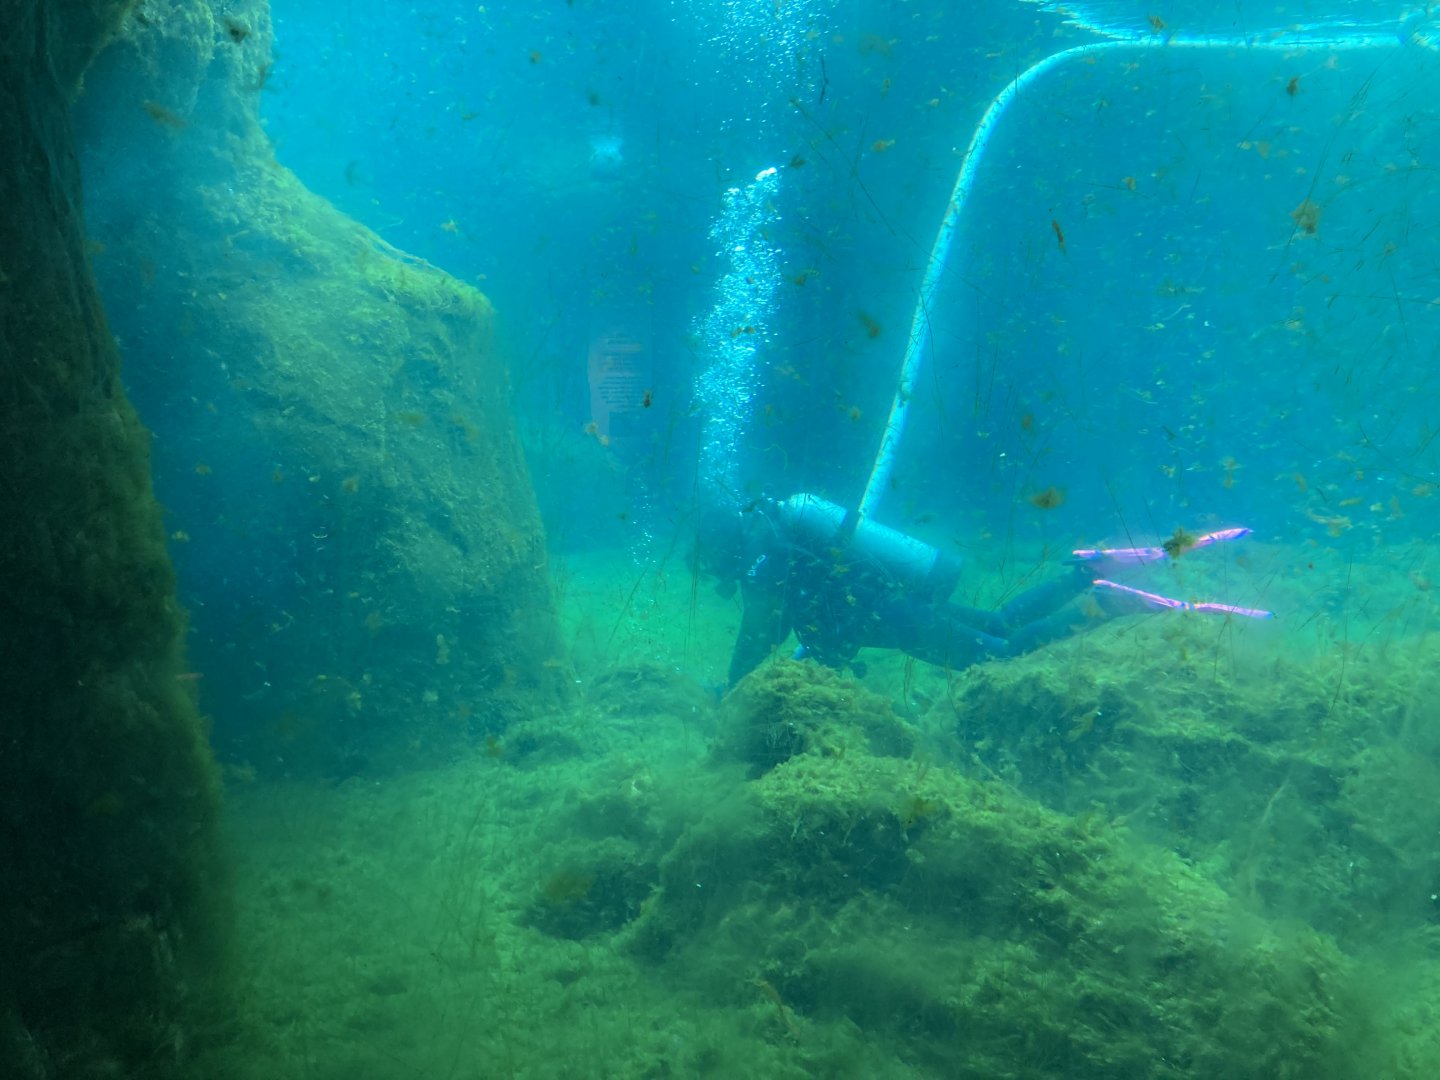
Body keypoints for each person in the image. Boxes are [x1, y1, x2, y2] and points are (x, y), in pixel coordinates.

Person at [693, 493, 1142, 688]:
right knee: (1000, 623)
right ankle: (1084, 576)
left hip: (888, 612)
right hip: (893, 599)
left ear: (719, 546)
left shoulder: (767, 559)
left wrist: (732, 689)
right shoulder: (775, 540)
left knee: (995, 654)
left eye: (711, 565)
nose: (717, 577)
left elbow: (760, 632)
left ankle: (1103, 603)